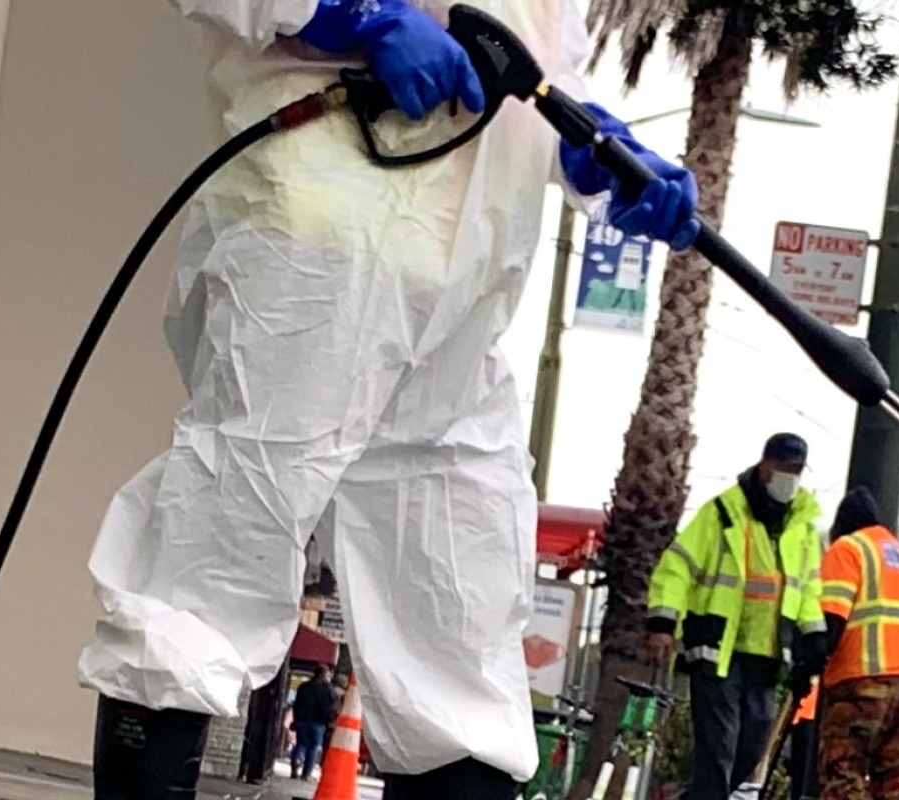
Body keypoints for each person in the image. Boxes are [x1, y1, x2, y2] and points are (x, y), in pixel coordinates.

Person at [76, 2, 700, 799]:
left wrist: (591, 149)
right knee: (221, 546)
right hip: (319, 241)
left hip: (468, 301)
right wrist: (355, 14)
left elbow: (527, 80)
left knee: (456, 612)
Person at [646, 433, 828, 800]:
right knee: (719, 749)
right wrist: (663, 623)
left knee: (750, 750)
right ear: (765, 465)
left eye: (795, 470)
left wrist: (813, 636)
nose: (788, 477)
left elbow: (807, 589)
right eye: (783, 468)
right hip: (717, 652)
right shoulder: (723, 514)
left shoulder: (802, 528)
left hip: (767, 657)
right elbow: (677, 567)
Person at [815, 488, 899, 800]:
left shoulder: (847, 549)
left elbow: (831, 619)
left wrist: (809, 660)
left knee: (844, 772)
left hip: (863, 682)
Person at [289, 666, 340, 781]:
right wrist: (330, 721)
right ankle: (306, 774)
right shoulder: (328, 689)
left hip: (302, 721)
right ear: (324, 675)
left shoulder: (303, 687)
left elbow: (296, 704)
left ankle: (296, 762)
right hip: (319, 723)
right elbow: (333, 705)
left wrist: (296, 720)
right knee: (313, 747)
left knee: (301, 743)